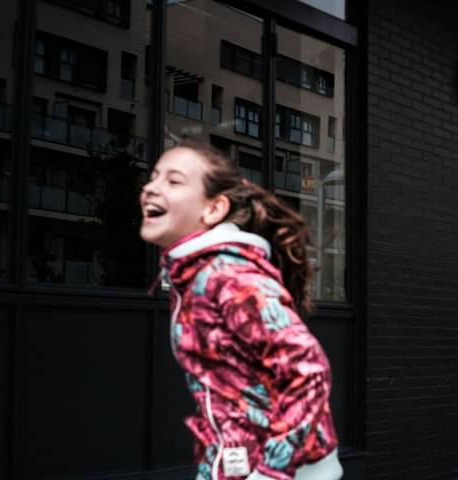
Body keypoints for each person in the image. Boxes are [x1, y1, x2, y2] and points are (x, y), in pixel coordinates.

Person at [140, 140, 342, 480]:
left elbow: (308, 372)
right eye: (153, 177)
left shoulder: (227, 275)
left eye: (173, 181)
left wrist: (268, 474)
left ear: (214, 209)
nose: (150, 188)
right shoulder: (194, 274)